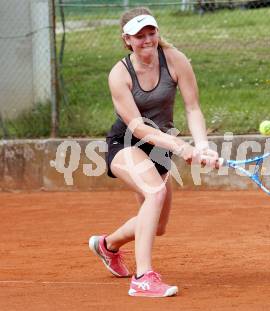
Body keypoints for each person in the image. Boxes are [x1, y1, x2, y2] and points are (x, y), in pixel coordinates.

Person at [88, 7, 218, 298]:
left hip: (159, 147)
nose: (147, 40)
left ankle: (107, 246)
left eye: (151, 33)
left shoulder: (175, 60)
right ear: (127, 40)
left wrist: (203, 146)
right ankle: (143, 278)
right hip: (126, 143)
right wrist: (181, 147)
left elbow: (193, 108)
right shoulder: (119, 74)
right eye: (139, 36)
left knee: (157, 224)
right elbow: (138, 127)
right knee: (155, 192)